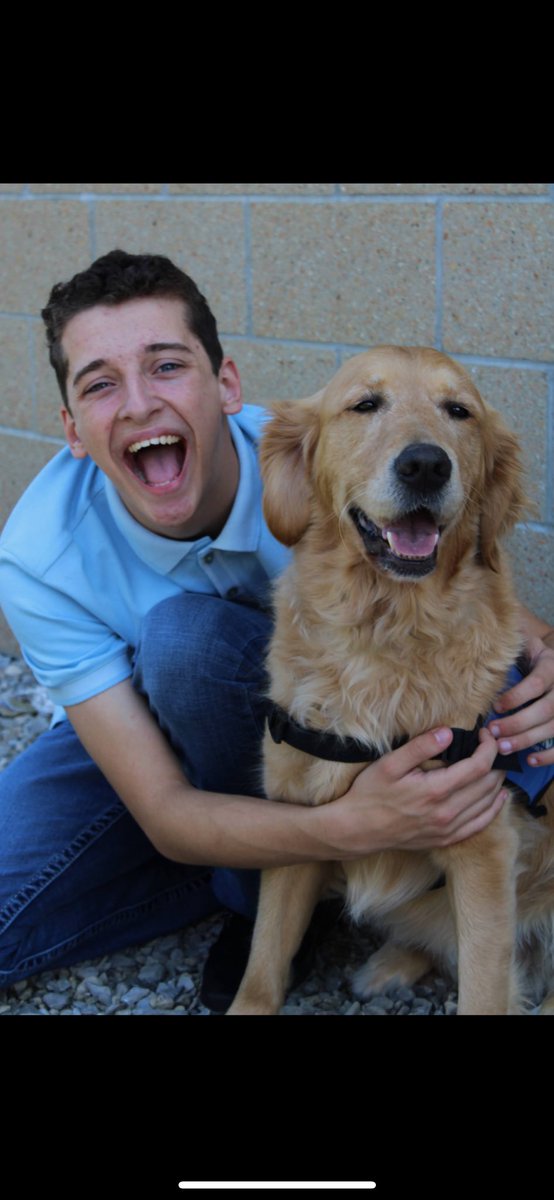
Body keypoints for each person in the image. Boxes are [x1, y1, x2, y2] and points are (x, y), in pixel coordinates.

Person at [0, 249, 553, 1011]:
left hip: (282, 736)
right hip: (123, 733)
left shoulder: (304, 453)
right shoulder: (35, 558)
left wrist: (544, 662)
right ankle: (243, 874)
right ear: (70, 427)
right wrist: (348, 830)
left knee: (185, 645)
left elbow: (482, 594)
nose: (136, 405)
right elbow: (162, 808)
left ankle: (253, 888)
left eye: (166, 366)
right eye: (100, 384)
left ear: (226, 385)